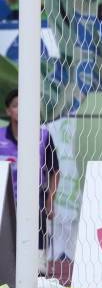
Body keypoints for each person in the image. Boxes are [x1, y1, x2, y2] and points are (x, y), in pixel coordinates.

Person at [0, 89, 60, 275]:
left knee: (37, 266)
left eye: (24, 105)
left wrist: (50, 200)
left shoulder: (43, 137)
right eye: (16, 105)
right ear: (8, 111)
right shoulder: (0, 136)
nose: (21, 109)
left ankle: (39, 272)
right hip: (5, 202)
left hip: (36, 201)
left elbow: (54, 170)